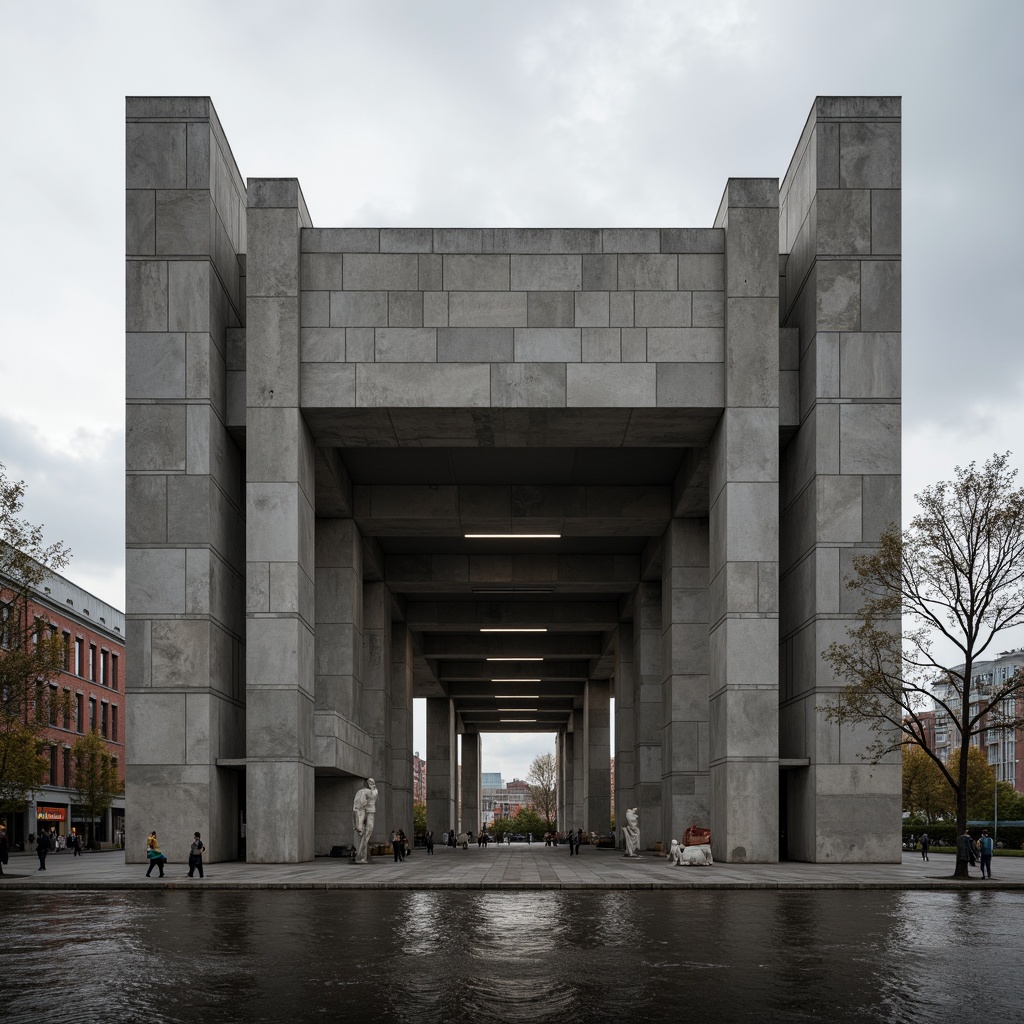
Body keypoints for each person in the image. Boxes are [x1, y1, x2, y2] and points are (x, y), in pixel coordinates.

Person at [352, 778, 378, 864]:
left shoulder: (374, 792)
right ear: (367, 783)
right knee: (364, 834)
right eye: (370, 782)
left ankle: (361, 856)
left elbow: (372, 796)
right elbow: (359, 804)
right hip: (364, 812)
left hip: (371, 813)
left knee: (367, 834)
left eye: (372, 782)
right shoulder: (363, 792)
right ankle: (361, 856)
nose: (372, 783)